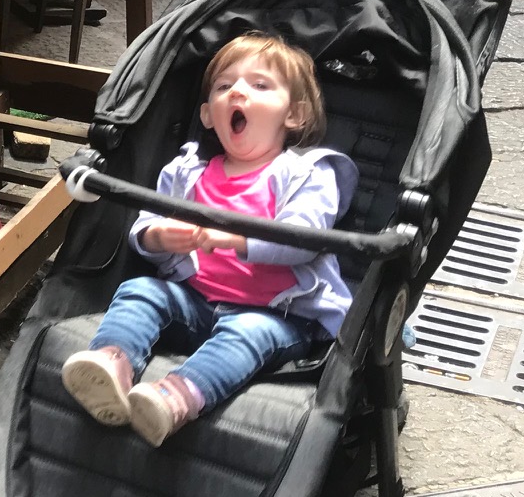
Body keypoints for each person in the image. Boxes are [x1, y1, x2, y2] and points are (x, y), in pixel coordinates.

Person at [59, 33, 357, 445]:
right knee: (140, 289)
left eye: (260, 85)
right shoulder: (186, 172)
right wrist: (158, 237)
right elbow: (144, 226)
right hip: (195, 302)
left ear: (294, 115)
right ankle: (113, 364)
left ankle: (177, 398)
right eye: (224, 86)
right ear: (207, 115)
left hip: (277, 315)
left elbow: (304, 240)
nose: (237, 91)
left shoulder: (308, 174)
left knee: (249, 332)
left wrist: (233, 238)